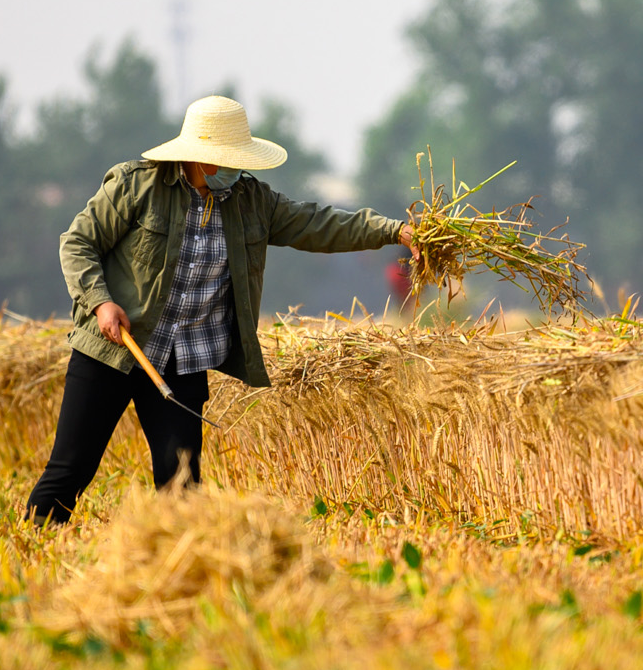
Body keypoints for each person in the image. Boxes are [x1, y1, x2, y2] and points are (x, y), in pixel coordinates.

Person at [24, 95, 415, 524]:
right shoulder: (138, 185)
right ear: (200, 158)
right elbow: (78, 243)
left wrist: (395, 230)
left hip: (184, 361)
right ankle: (35, 544)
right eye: (224, 160)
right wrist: (100, 302)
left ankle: (182, 567)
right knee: (70, 471)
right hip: (115, 350)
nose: (233, 169)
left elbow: (319, 224)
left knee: (182, 485)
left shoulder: (251, 201)